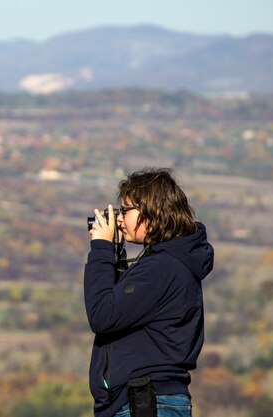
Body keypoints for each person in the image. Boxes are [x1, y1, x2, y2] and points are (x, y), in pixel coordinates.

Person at [84, 168, 214, 417]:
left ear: (153, 211)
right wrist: (115, 255)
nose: (120, 219)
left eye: (126, 210)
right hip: (147, 400)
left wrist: (100, 249)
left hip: (146, 402)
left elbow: (103, 315)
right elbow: (124, 307)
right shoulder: (168, 263)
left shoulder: (162, 267)